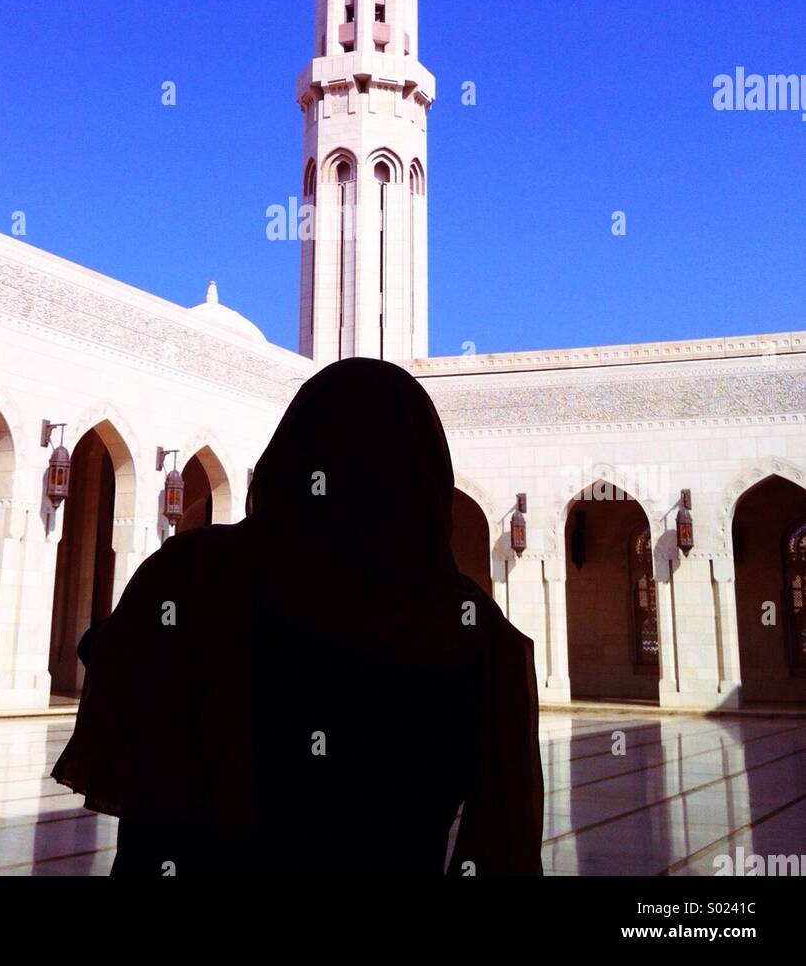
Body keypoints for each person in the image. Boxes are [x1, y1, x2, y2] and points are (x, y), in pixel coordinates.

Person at [52, 357, 544, 876]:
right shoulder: (479, 636)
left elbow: (121, 701)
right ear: (426, 475)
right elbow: (503, 849)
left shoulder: (192, 574)